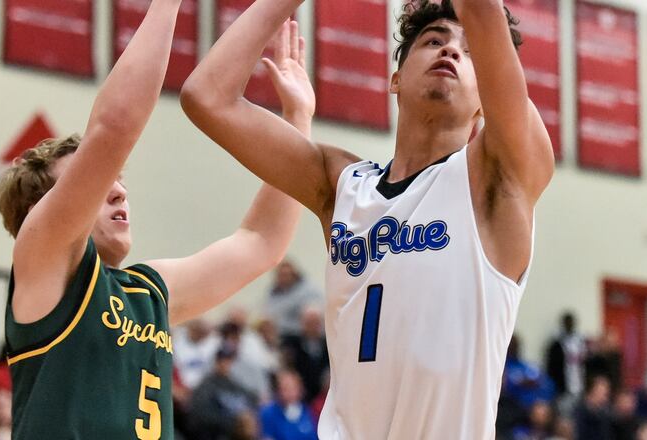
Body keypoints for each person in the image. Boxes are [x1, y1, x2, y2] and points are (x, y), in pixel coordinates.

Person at [181, 0, 554, 437]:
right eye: (434, 40)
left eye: (470, 51)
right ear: (395, 79)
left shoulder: (500, 179)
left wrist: (482, 28)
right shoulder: (342, 185)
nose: (451, 51)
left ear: (485, 100)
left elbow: (484, 13)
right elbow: (206, 97)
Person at [0, 1, 311, 438]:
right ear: (40, 211)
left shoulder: (146, 293)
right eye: (93, 183)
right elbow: (116, 126)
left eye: (119, 180)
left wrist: (296, 121)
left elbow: (261, 242)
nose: (119, 189)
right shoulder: (43, 261)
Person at [265, 260, 321, 338]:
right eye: (281, 275)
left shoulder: (307, 290)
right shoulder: (273, 293)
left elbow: (314, 313)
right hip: (281, 335)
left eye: (287, 275)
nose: (284, 278)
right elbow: (269, 315)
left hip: (303, 335)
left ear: (294, 275)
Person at [259, 370, 318, 440]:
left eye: (293, 388)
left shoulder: (309, 412)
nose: (290, 393)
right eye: (286, 389)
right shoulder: (268, 413)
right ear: (278, 390)